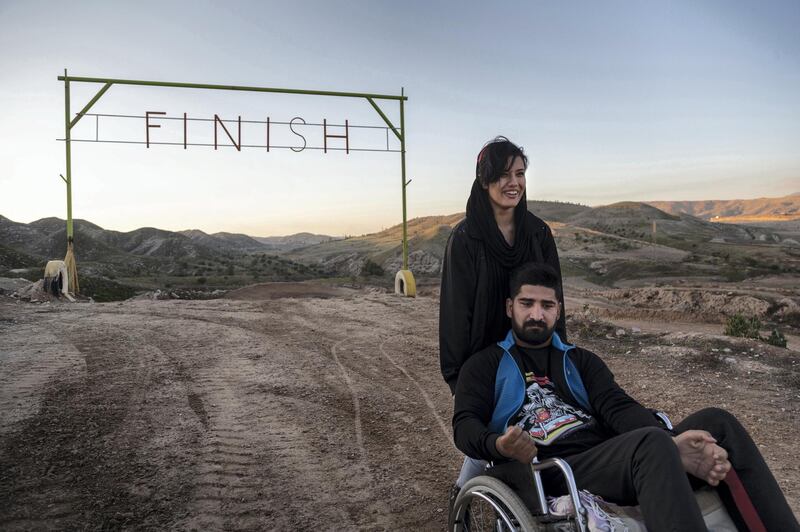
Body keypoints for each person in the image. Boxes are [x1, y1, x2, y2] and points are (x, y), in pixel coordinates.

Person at [453, 262, 799, 532]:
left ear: (558, 311)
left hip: (611, 458)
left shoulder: (578, 360)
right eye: (527, 303)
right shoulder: (485, 365)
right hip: (552, 471)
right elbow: (464, 425)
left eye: (547, 305)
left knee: (718, 423)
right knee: (651, 444)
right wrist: (500, 445)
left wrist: (672, 440)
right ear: (509, 306)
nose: (537, 314)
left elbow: (616, 406)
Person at [440, 137, 567, 499]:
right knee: (493, 429)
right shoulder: (466, 238)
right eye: (503, 175)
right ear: (484, 180)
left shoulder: (538, 233)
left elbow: (554, 297)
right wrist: (458, 376)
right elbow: (454, 313)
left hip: (533, 347)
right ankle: (465, 494)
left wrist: (560, 351)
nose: (513, 183)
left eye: (520, 174)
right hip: (486, 356)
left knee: (542, 424)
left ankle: (542, 498)